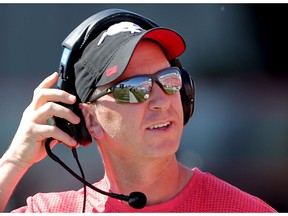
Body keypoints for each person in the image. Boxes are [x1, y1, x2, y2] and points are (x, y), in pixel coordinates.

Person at [0, 9, 276, 213]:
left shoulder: (243, 210)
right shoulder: (52, 211)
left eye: (168, 80)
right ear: (90, 119)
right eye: (134, 88)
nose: (161, 100)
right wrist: (14, 161)